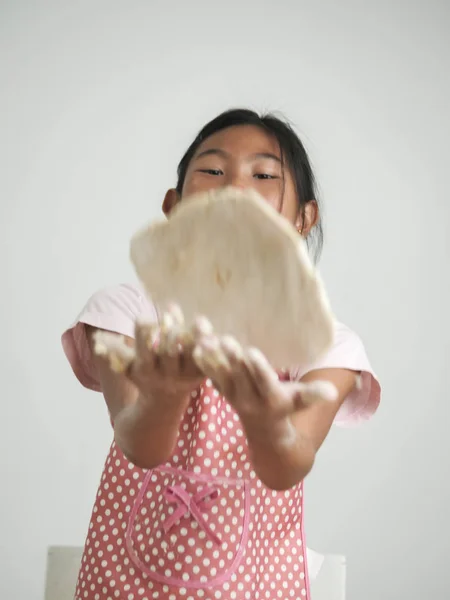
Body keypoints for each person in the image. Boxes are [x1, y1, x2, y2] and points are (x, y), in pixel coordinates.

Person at [62, 108, 381, 600]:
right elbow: (139, 444)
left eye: (263, 175)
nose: (234, 186)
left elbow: (287, 465)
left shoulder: (324, 343)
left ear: (303, 218)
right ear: (173, 207)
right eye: (212, 171)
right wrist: (162, 400)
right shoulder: (126, 312)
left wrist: (267, 421)